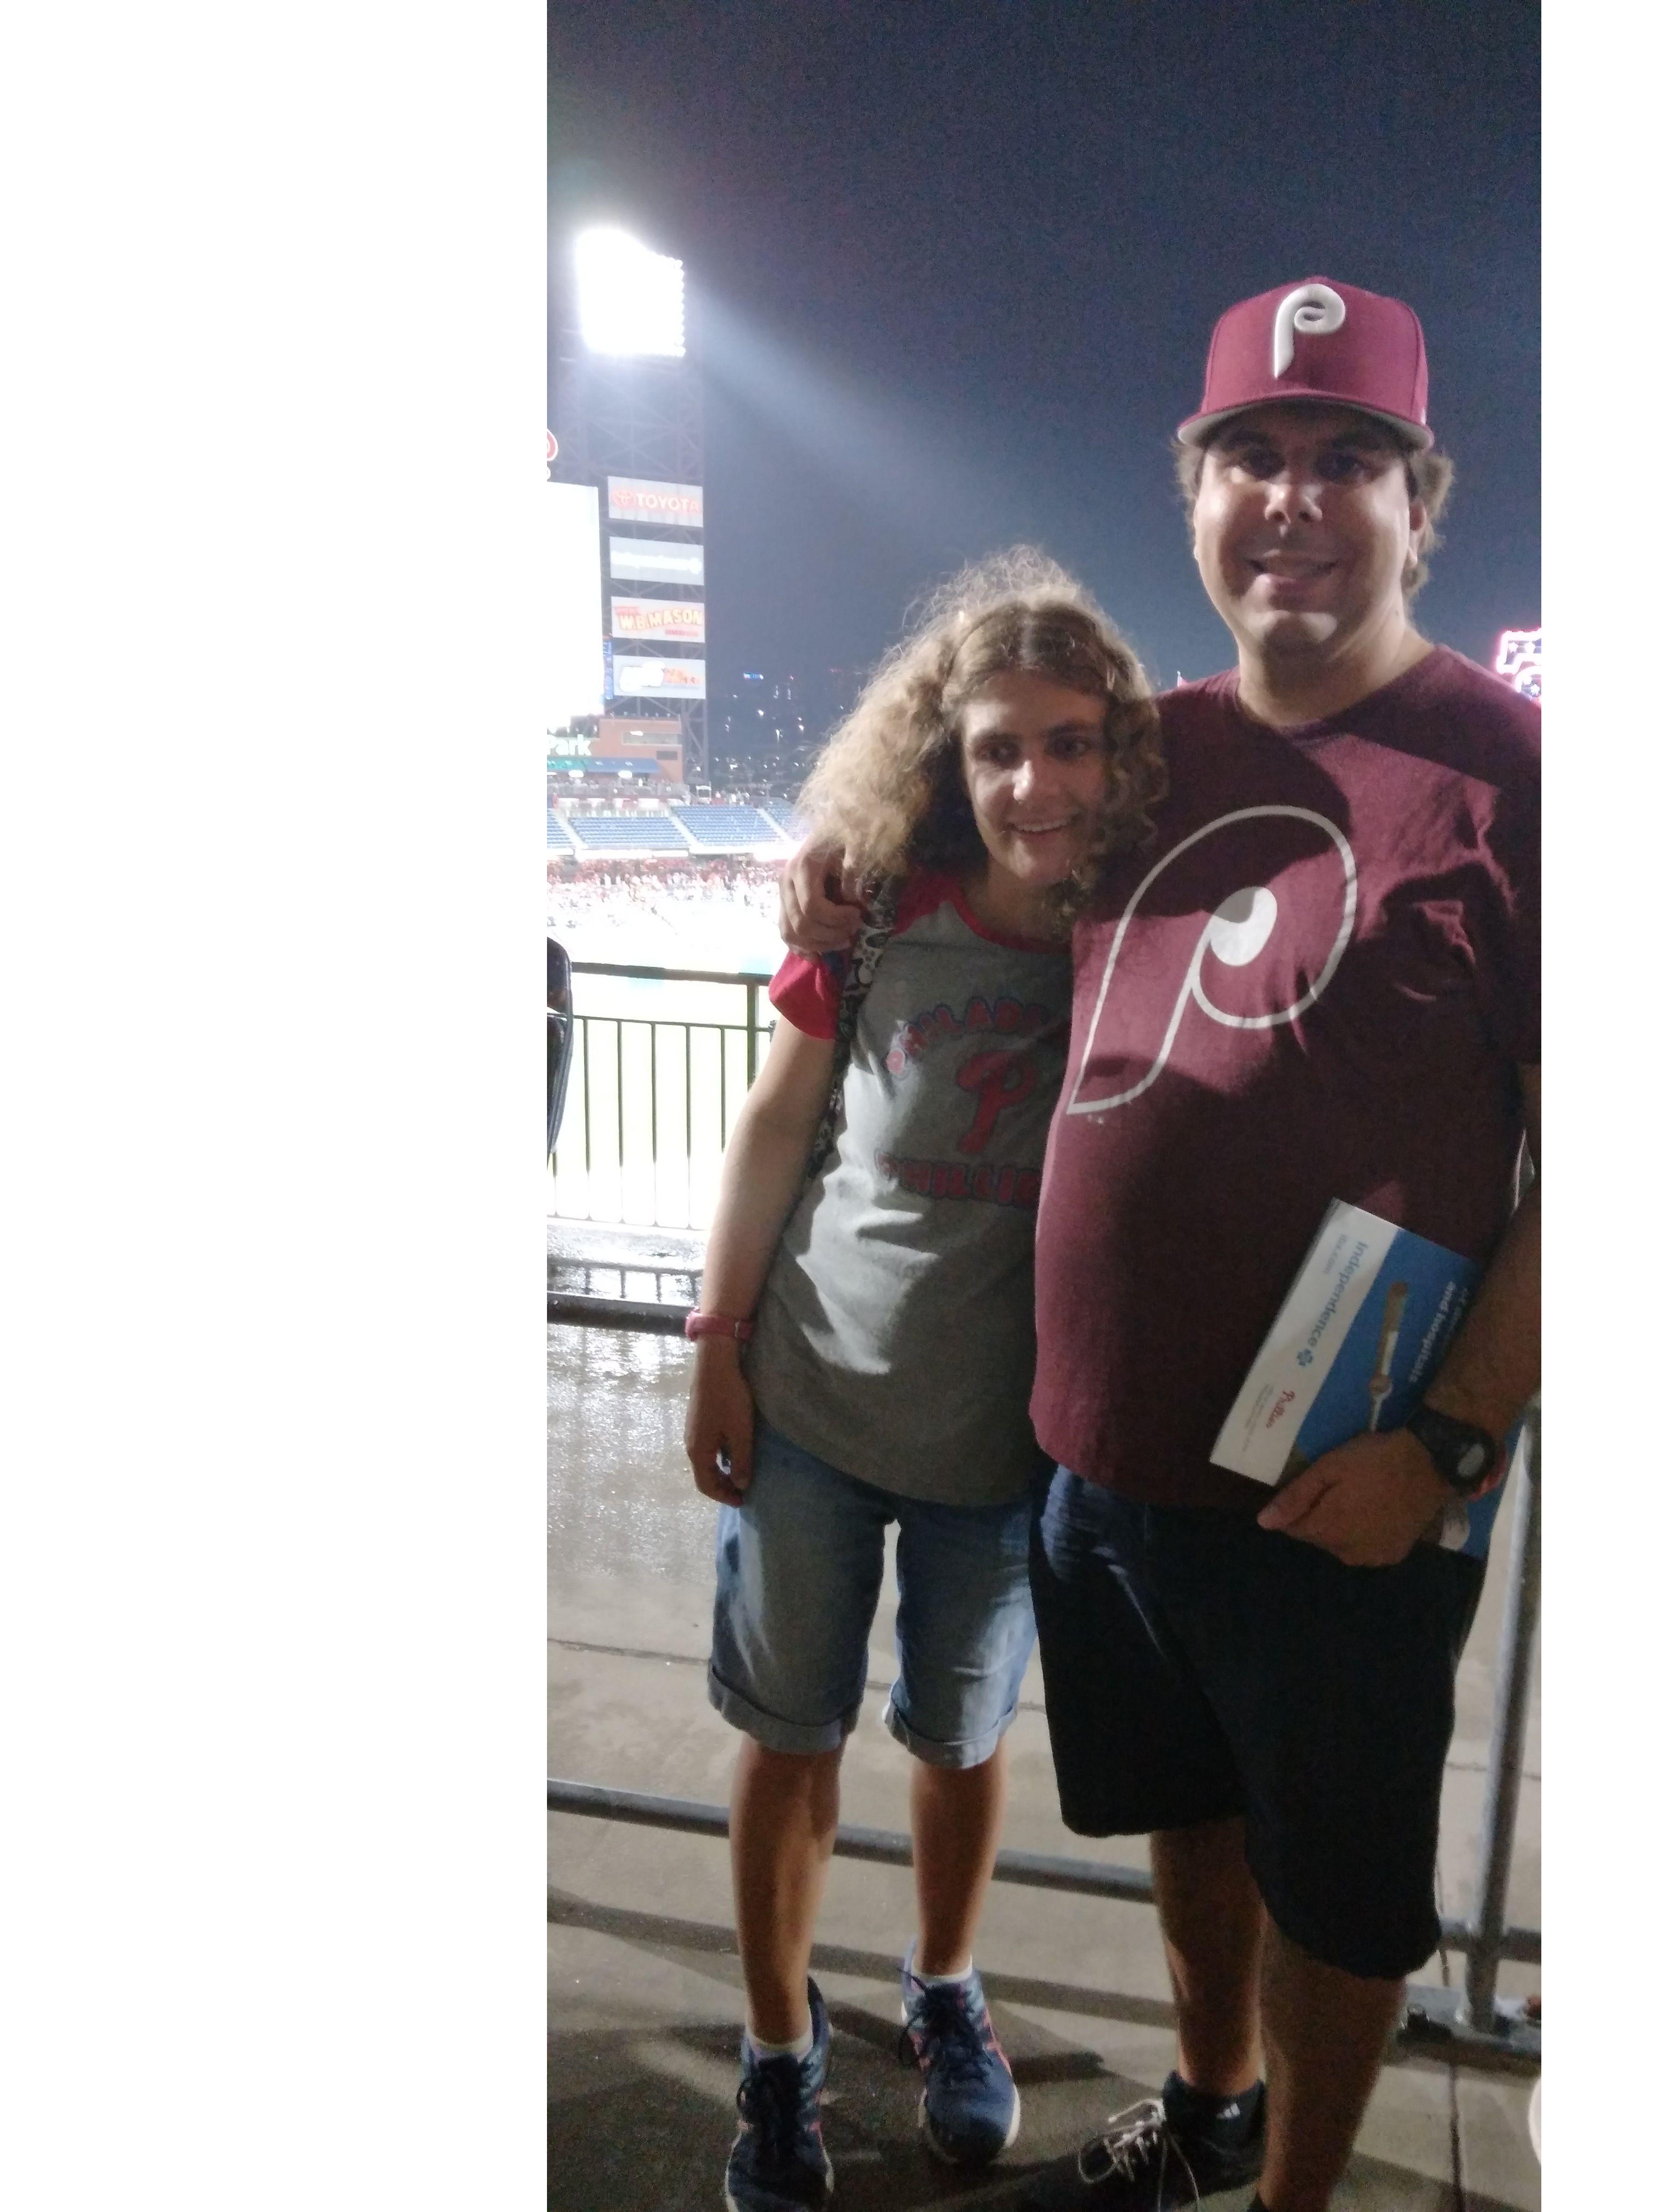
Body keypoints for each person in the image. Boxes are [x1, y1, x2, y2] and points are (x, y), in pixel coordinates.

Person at [780, 277, 1540, 2212]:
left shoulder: (1520, 775)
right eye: (1252, 457)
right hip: (1103, 1464)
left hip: (1348, 1484)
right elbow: (958, 822)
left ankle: (1295, 2194)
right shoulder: (1141, 756)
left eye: (1347, 459)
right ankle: (1210, 2112)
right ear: (1193, 500)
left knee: (1341, 1890)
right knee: (1189, 1826)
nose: (1295, 499)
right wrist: (831, 873)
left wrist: (1449, 1443)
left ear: (1420, 504)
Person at [683, 551, 1165, 2212]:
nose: (1036, 782)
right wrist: (716, 1343)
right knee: (790, 1738)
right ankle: (777, 2049)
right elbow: (776, 1125)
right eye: (997, 748)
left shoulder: (1141, 930)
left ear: (1123, 751)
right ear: (948, 763)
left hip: (1003, 1440)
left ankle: (944, 1987)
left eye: (1072, 741)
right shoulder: (879, 905)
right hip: (813, 1403)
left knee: (960, 1741)